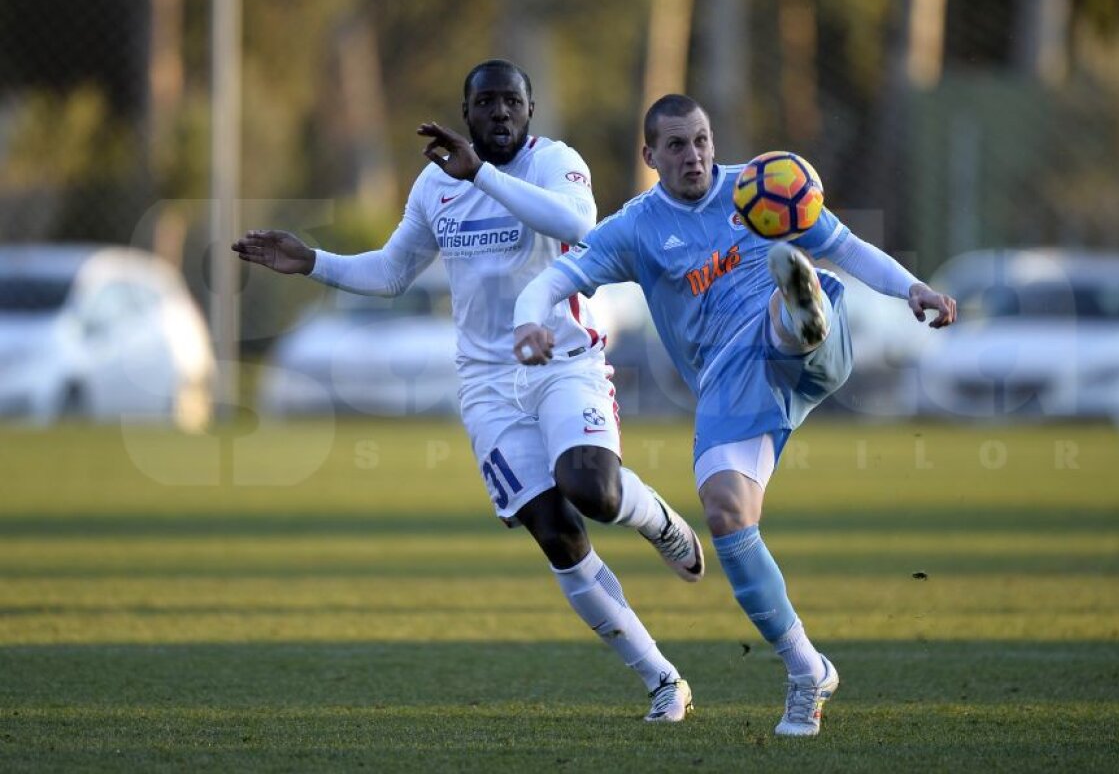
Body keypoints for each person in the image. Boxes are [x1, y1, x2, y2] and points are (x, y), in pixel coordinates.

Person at [232, 63, 705, 723]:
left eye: (512, 101)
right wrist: (314, 261)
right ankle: (662, 680)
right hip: (487, 385)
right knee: (556, 534)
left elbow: (578, 224)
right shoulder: (435, 185)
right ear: (466, 111)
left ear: (530, 111)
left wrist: (480, 173)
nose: (500, 112)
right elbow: (391, 272)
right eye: (486, 102)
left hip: (565, 363)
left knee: (593, 491)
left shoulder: (556, 163)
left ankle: (660, 522)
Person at [512, 93, 957, 737]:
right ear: (649, 155)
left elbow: (847, 247)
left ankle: (795, 308)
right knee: (725, 513)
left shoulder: (764, 187)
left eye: (701, 140)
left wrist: (910, 287)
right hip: (729, 382)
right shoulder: (635, 228)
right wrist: (530, 322)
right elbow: (553, 280)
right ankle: (807, 670)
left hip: (799, 348)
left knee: (785, 311)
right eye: (676, 146)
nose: (693, 156)